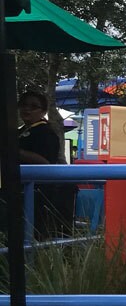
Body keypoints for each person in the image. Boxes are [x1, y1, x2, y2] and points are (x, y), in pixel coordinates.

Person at [17, 91, 70, 238]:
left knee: (34, 232)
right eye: (24, 105)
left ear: (43, 111)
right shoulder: (20, 131)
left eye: (34, 106)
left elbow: (46, 162)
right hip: (18, 189)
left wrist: (16, 153)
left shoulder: (46, 132)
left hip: (39, 193)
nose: (27, 109)